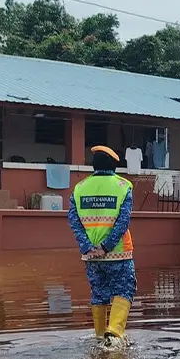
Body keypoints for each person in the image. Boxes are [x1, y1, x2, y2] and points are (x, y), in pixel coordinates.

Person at [69, 145, 135, 345]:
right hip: (118, 253)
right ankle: (114, 333)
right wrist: (106, 246)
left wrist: (87, 246)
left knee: (99, 293)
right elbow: (123, 222)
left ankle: (99, 336)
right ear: (114, 165)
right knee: (124, 289)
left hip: (91, 256)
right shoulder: (124, 186)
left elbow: (73, 220)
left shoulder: (79, 188)